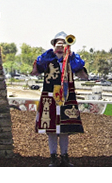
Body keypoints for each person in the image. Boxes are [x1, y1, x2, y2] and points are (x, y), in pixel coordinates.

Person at [31, 31, 89, 166]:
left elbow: (78, 66)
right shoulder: (48, 58)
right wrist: (52, 52)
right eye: (58, 42)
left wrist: (71, 53)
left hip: (66, 96)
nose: (61, 46)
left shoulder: (71, 59)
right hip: (50, 97)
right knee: (51, 129)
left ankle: (64, 157)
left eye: (64, 43)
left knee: (64, 129)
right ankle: (52, 157)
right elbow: (39, 64)